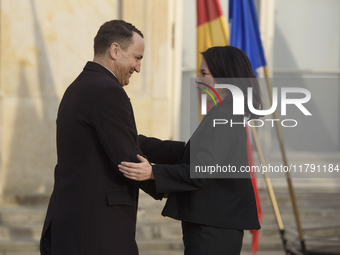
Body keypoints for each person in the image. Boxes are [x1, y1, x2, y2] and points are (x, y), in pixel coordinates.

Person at [119, 46, 262, 255]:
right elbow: (188, 151)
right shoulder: (227, 113)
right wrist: (133, 140)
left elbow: (201, 171)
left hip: (212, 230)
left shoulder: (224, 116)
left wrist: (152, 172)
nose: (197, 79)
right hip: (215, 226)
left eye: (204, 73)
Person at [40, 20, 163, 255]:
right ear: (115, 51)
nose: (138, 68)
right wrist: (177, 182)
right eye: (137, 58)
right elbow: (128, 159)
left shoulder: (78, 87)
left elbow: (127, 141)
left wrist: (184, 150)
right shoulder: (108, 91)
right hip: (97, 234)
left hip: (72, 228)